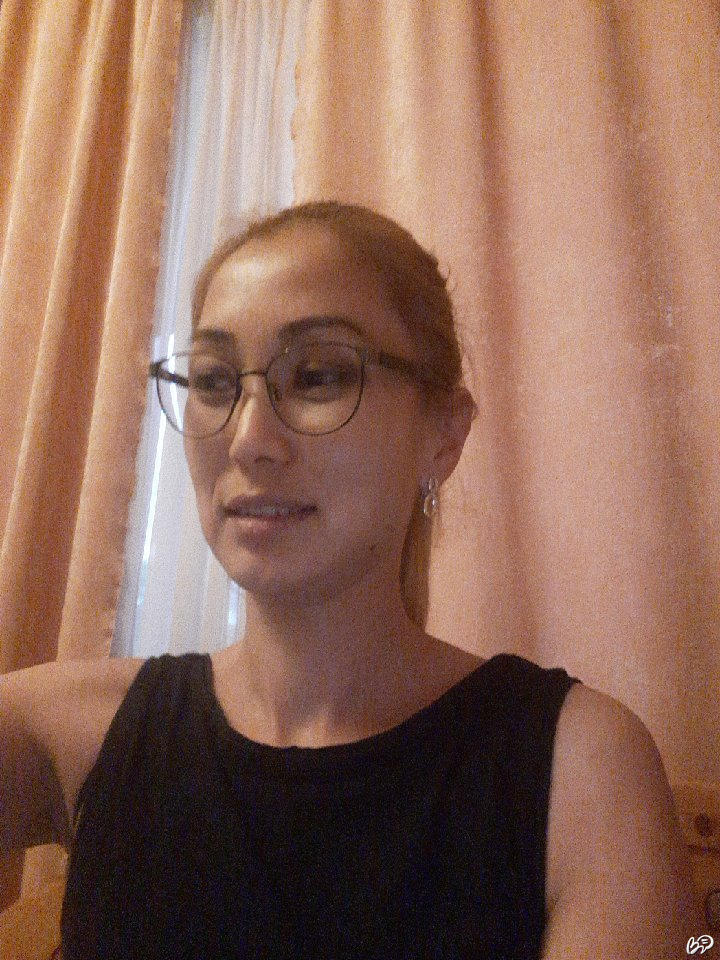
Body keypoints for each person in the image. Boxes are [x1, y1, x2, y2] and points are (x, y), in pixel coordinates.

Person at [0, 202, 701, 958]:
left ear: (444, 434)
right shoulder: (68, 731)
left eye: (318, 376)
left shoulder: (581, 771)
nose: (248, 440)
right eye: (213, 380)